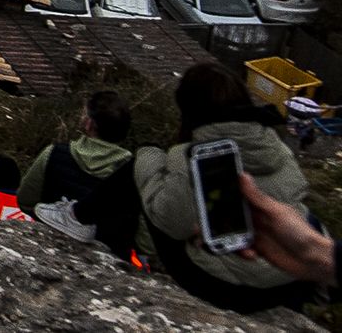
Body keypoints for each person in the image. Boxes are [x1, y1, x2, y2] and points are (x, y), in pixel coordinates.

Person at [135, 61, 311, 311]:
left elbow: (172, 223)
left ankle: (85, 221)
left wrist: (148, 154)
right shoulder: (276, 148)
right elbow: (298, 190)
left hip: (231, 290)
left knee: (142, 167)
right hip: (290, 279)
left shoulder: (190, 157)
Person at [17, 90, 139, 257]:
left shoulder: (53, 153)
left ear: (89, 124)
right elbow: (143, 235)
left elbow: (25, 199)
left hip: (50, 247)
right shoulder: (135, 173)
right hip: (111, 256)